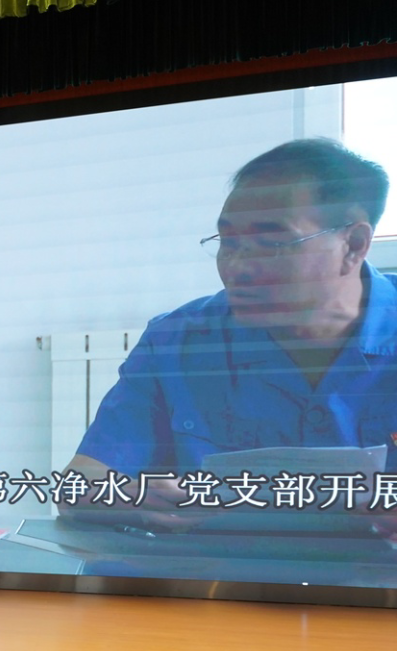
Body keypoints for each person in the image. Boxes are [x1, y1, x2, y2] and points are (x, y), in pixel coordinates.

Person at [61, 138, 397, 532]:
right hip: (214, 568)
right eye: (229, 243)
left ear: (353, 244)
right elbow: (79, 484)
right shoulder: (177, 342)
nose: (237, 267)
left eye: (270, 244)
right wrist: (130, 497)